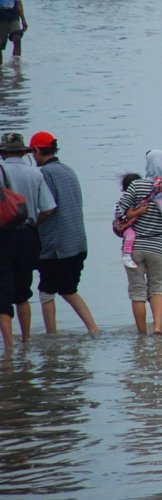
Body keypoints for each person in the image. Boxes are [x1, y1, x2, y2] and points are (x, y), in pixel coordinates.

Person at [29, 131, 100, 335]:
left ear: (36, 151)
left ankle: (51, 336)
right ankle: (93, 329)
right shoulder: (68, 170)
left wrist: (31, 222)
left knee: (46, 291)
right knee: (68, 289)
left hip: (57, 246)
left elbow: (48, 208)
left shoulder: (44, 174)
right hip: (77, 242)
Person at [0, 133, 57, 348]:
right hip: (28, 236)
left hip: (3, 235)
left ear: (3, 152)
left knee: (2, 292)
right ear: (24, 152)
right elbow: (49, 208)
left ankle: (8, 345)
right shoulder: (36, 174)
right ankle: (25, 339)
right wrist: (32, 222)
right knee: (23, 291)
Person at [116, 150, 162, 335]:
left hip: (134, 247)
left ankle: (142, 332)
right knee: (157, 287)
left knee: (137, 291)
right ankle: (158, 327)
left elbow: (120, 211)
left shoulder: (136, 186)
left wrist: (134, 213)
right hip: (159, 246)